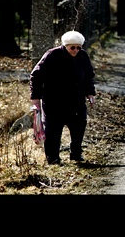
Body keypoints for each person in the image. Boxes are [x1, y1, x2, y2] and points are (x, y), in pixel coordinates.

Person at [30, 30, 96, 165]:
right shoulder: (52, 55)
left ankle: (76, 154)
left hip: (76, 99)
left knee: (79, 126)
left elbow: (89, 75)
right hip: (54, 100)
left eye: (78, 47)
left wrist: (90, 93)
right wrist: (35, 97)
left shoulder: (83, 56)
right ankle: (53, 157)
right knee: (53, 130)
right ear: (65, 46)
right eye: (72, 47)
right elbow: (36, 75)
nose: (76, 50)